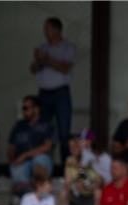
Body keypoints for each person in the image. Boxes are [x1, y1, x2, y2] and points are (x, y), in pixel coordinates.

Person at [30, 17, 76, 149]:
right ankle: (44, 165)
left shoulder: (68, 47)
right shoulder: (42, 47)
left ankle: (65, 167)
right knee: (43, 130)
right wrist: (38, 60)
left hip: (60, 92)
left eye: (47, 28)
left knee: (63, 132)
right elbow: (33, 69)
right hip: (43, 93)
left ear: (57, 30)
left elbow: (65, 68)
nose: (44, 31)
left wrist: (47, 59)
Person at [7, 96, 55, 197]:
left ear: (36, 109)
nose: (23, 111)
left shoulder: (46, 124)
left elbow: (47, 147)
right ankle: (28, 195)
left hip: (39, 160)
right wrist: (13, 161)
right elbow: (11, 147)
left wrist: (25, 155)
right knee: (17, 168)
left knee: (39, 159)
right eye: (22, 108)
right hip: (22, 163)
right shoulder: (19, 125)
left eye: (26, 108)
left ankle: (42, 190)